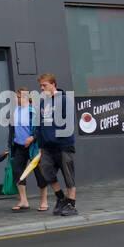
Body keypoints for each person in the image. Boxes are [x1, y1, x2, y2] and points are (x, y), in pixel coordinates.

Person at [36, 73, 77, 217]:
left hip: (63, 145)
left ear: (53, 84)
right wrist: (40, 145)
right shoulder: (43, 103)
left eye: (44, 85)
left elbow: (69, 122)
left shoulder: (65, 100)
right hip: (47, 147)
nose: (42, 88)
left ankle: (71, 204)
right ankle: (61, 198)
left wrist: (58, 137)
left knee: (68, 175)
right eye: (40, 85)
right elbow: (40, 124)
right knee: (46, 171)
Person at [8, 87, 48, 212]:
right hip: (19, 146)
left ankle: (44, 201)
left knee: (39, 173)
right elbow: (12, 129)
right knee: (18, 172)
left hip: (33, 147)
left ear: (24, 97)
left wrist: (32, 138)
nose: (15, 99)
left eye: (17, 97)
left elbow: (41, 129)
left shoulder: (33, 111)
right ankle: (23, 200)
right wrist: (10, 144)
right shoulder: (15, 110)